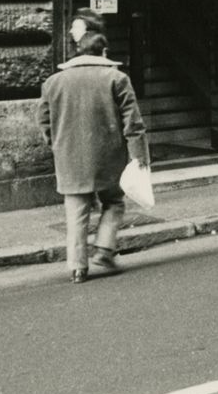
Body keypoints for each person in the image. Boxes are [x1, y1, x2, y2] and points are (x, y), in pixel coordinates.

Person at [39, 30, 149, 283]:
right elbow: (132, 122)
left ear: (78, 51)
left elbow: (43, 120)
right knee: (114, 202)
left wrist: (55, 143)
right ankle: (104, 249)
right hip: (108, 156)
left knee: (76, 212)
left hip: (69, 158)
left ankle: (78, 268)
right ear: (104, 52)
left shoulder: (53, 82)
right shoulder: (117, 78)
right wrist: (139, 157)